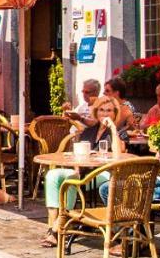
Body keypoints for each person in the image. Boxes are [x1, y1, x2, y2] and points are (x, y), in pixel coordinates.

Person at [40, 96, 130, 247]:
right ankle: (54, 225)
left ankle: (58, 228)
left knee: (71, 181)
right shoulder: (89, 131)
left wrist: (113, 128)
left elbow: (118, 153)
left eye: (109, 111)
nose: (105, 114)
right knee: (52, 175)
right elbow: (79, 152)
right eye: (101, 110)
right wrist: (76, 164)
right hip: (83, 171)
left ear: (115, 113)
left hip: (105, 173)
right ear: (96, 112)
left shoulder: (119, 132)